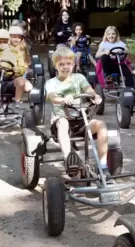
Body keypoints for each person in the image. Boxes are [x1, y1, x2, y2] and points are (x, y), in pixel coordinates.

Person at [44, 46, 110, 176]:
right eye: (61, 64)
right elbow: (53, 98)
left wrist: (94, 95)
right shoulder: (51, 83)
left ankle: (103, 165)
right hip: (61, 121)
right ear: (55, 65)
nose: (65, 67)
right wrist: (63, 99)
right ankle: (69, 159)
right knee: (63, 122)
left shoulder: (79, 77)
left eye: (68, 63)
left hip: (81, 121)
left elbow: (88, 89)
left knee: (101, 125)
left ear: (73, 64)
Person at [8, 25, 33, 111]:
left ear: (22, 39)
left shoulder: (23, 49)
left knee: (29, 87)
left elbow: (26, 64)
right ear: (9, 38)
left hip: (19, 75)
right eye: (13, 37)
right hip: (5, 76)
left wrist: (20, 71)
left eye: (18, 37)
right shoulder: (5, 49)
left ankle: (17, 103)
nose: (16, 39)